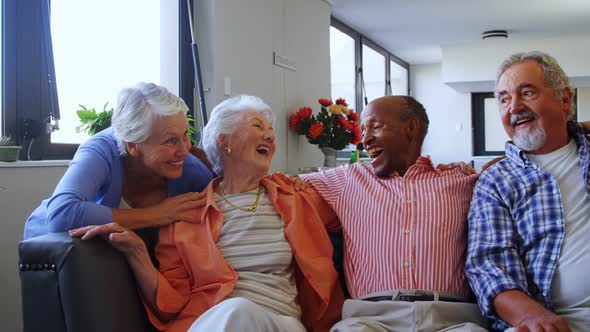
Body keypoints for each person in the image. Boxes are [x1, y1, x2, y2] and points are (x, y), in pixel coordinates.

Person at [71, 95, 344, 332]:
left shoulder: (294, 196)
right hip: (215, 320)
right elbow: (171, 303)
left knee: (238, 311)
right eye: (257, 126)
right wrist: (136, 251)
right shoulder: (188, 216)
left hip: (281, 322)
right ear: (224, 142)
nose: (271, 136)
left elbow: (350, 204)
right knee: (234, 313)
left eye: (271, 131)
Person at [298, 95, 488, 331]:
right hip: (371, 318)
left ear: (411, 128)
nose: (365, 139)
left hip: (450, 318)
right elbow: (279, 184)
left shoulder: (463, 181)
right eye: (363, 130)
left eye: (375, 127)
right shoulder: (348, 179)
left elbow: (512, 175)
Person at [466, 51, 590, 332]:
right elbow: (489, 267)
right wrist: (531, 317)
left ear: (565, 99)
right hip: (546, 322)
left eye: (527, 92)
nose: (514, 107)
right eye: (504, 99)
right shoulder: (495, 181)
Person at [24, 82, 214, 240]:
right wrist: (158, 214)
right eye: (170, 140)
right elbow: (61, 214)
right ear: (132, 145)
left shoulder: (189, 169)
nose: (184, 150)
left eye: (185, 135)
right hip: (55, 251)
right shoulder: (100, 150)